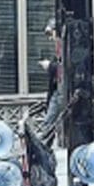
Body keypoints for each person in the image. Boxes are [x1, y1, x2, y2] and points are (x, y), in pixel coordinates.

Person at [38, 18, 62, 146]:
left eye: (50, 34)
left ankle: (43, 147)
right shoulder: (59, 47)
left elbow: (64, 68)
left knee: (49, 121)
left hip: (60, 90)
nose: (50, 38)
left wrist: (49, 66)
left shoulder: (63, 45)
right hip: (58, 88)